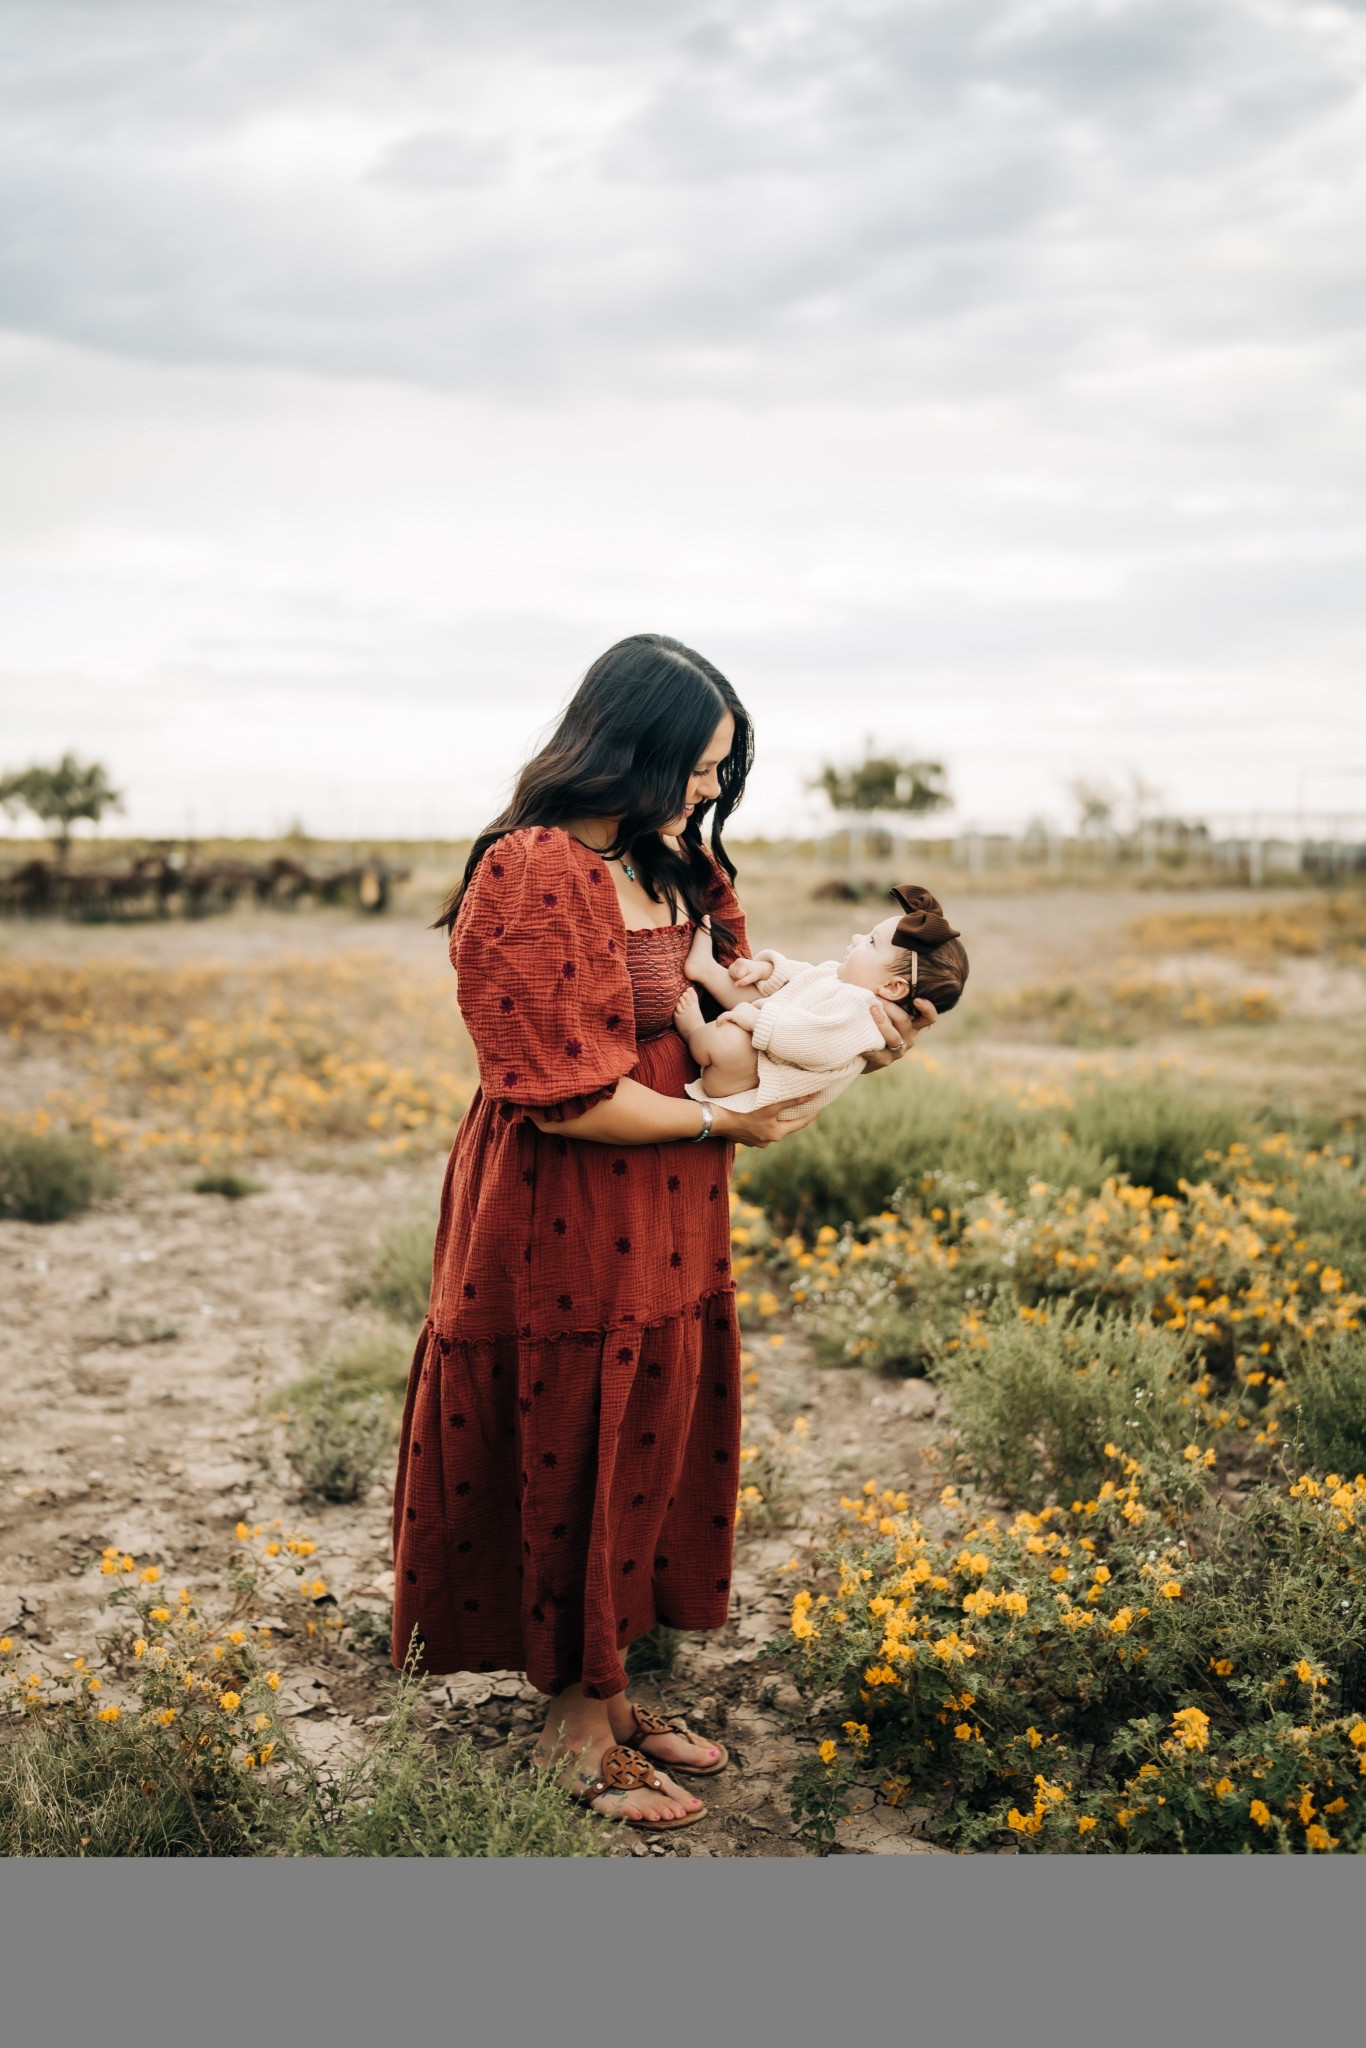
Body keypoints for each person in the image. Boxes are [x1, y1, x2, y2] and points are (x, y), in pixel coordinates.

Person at [390, 634, 936, 1831]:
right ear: (622, 745)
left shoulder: (668, 860)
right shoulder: (533, 870)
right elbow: (563, 1092)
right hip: (570, 1200)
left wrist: (866, 1019)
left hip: (672, 1195)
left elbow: (743, 995)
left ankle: (613, 1690)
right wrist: (721, 1118)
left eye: (719, 771)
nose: (707, 791)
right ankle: (571, 1730)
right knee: (573, 1430)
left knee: (646, 1424)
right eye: (696, 766)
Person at [675, 885, 967, 1123]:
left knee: (731, 1037)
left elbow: (815, 1043)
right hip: (764, 1054)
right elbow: (801, 975)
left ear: (892, 987)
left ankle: (694, 1031)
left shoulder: (861, 1013)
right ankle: (706, 969)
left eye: (871, 942)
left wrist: (757, 1020)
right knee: (756, 998)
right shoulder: (842, 979)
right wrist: (767, 970)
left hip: (758, 1076)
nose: (857, 938)